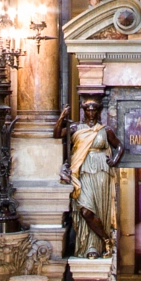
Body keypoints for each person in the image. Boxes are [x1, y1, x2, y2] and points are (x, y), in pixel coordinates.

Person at [56, 94, 119, 258]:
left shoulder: (105, 130)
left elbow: (119, 147)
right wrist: (62, 117)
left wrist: (114, 160)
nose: (91, 113)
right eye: (88, 110)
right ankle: (105, 239)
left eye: (94, 110)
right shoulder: (76, 128)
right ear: (84, 111)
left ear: (98, 112)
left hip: (101, 172)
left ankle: (95, 248)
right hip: (82, 170)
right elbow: (57, 134)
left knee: (99, 208)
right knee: (85, 211)